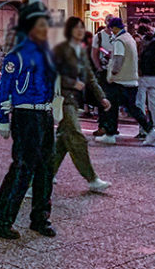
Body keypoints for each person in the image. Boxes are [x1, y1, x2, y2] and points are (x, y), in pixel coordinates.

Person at [0, 0, 58, 239]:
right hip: (26, 114)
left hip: (45, 114)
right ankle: (1, 218)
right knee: (22, 168)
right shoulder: (17, 54)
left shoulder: (47, 51)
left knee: (45, 167)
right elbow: (2, 89)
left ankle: (40, 218)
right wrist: (3, 120)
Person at [52, 16, 111, 193]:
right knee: (77, 137)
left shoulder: (80, 50)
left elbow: (90, 77)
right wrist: (72, 83)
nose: (80, 31)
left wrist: (102, 97)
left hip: (73, 100)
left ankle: (41, 177)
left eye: (81, 28)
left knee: (63, 142)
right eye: (76, 28)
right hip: (63, 99)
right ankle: (92, 178)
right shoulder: (60, 50)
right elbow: (54, 74)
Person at [95, 17, 155, 146]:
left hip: (120, 81)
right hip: (131, 80)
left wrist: (112, 75)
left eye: (111, 29)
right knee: (132, 108)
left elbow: (118, 60)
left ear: (114, 28)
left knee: (112, 107)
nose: (111, 31)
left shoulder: (119, 41)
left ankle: (110, 134)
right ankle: (151, 130)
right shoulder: (129, 38)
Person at [135, 26, 155, 145]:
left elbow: (139, 59)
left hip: (144, 76)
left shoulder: (143, 43)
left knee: (140, 103)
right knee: (153, 105)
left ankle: (143, 130)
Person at [89, 25, 112, 137]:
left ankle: (109, 127)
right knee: (103, 98)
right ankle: (104, 126)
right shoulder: (98, 37)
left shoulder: (118, 36)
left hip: (113, 73)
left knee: (111, 100)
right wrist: (98, 67)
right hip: (103, 72)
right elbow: (94, 54)